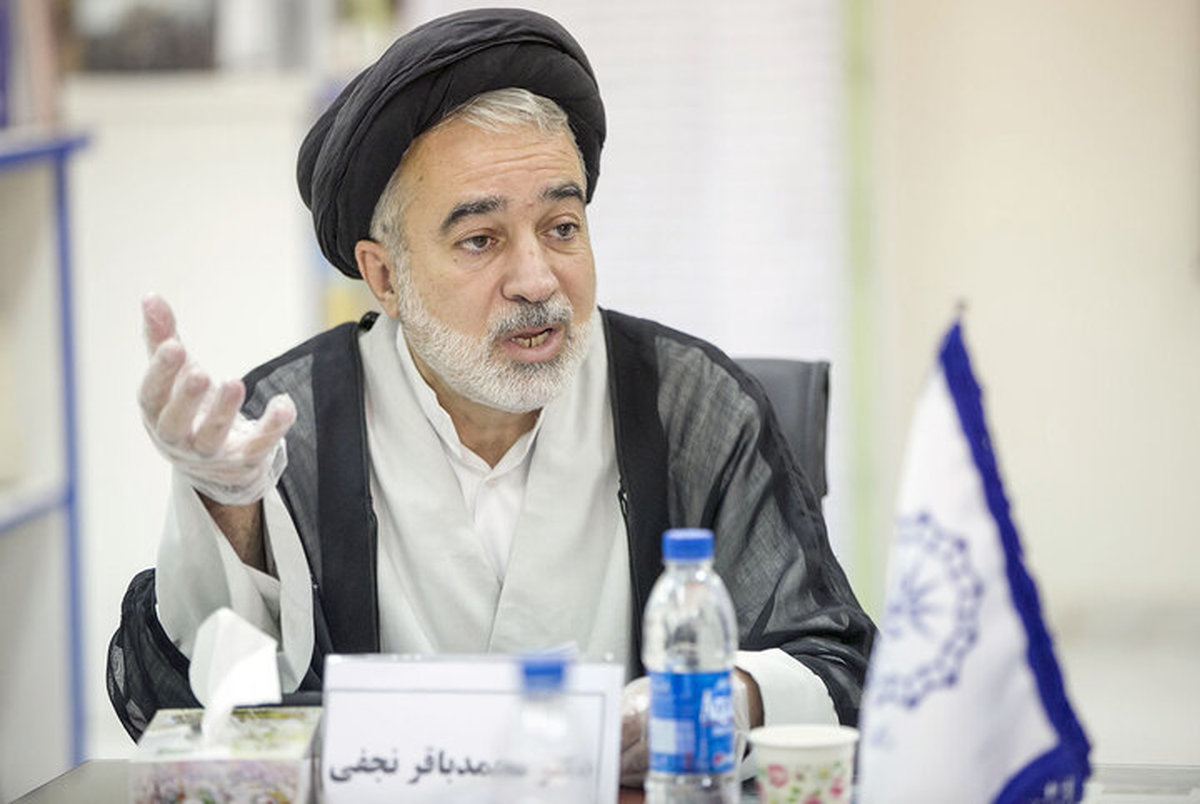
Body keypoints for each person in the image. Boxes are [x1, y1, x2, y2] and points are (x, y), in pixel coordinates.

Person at [106, 8, 874, 786]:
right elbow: (189, 714)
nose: (537, 280)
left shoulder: (689, 405)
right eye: (481, 240)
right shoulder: (288, 430)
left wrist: (723, 699)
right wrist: (225, 508)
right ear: (385, 277)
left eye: (562, 227)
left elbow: (835, 663)